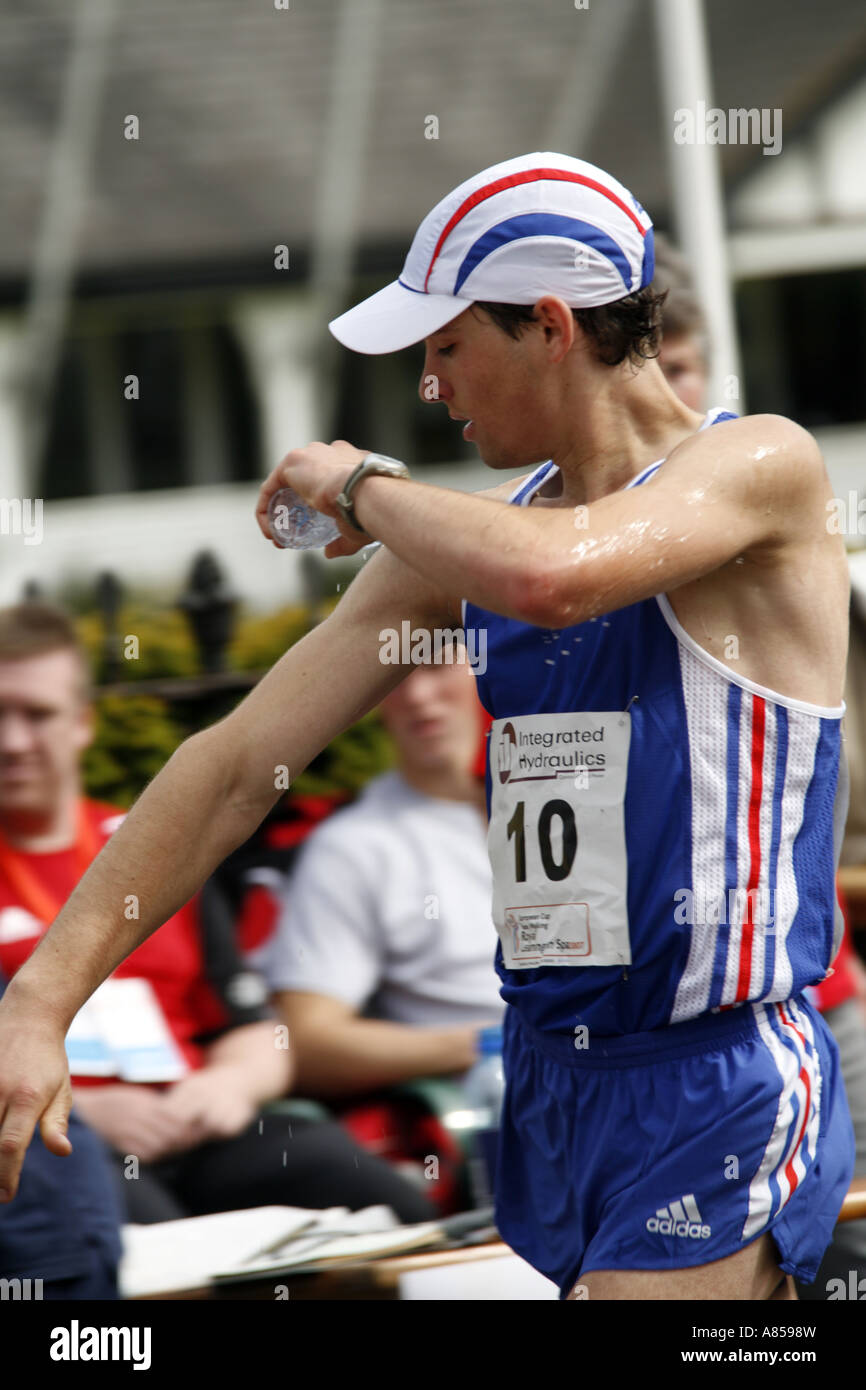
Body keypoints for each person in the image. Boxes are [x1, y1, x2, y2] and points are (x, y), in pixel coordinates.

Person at [0, 152, 855, 1302]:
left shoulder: (762, 464)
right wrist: (39, 1002)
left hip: (716, 1065)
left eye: (445, 346)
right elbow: (233, 763)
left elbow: (562, 576)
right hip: (551, 1076)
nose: (427, 386)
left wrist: (357, 485)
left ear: (550, 325)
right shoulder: (464, 545)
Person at [0, 602, 438, 1226]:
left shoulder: (148, 850)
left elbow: (256, 1030)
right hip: (62, 1139)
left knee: (358, 1186)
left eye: (37, 715)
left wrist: (228, 1086)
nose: (13, 741)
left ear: (82, 723)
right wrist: (88, 1112)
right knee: (131, 1228)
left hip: (195, 1125)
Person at [652, 233, 866, 1300]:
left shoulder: (767, 481)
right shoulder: (543, 561)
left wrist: (363, 486)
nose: (669, 404)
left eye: (684, 371)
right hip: (599, 1052)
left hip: (780, 1005)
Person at [268, 658, 502, 1098]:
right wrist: (497, 1043)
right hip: (498, 1096)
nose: (416, 695)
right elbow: (306, 1040)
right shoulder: (354, 846)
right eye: (395, 676)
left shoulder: (574, 799)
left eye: (436, 666)